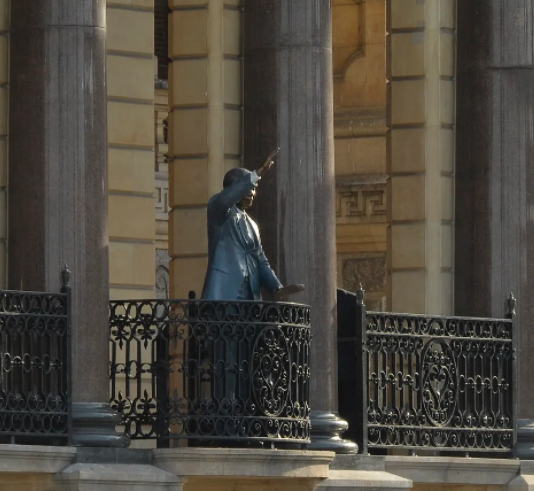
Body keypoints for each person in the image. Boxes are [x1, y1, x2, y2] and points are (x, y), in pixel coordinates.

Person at [201, 150, 282, 301]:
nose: (252, 193)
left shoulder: (252, 225)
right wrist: (258, 172)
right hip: (224, 294)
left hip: (250, 297)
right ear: (234, 189)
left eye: (254, 188)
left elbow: (260, 260)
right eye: (249, 188)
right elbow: (226, 200)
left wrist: (276, 288)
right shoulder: (219, 210)